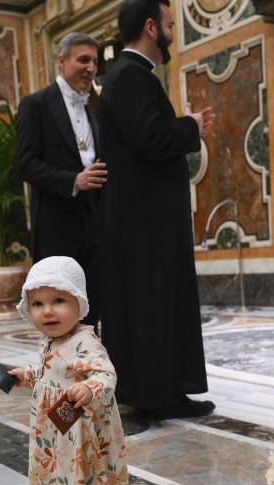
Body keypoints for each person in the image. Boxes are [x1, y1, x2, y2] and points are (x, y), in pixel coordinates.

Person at [97, 0, 216, 419]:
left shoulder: (132, 76)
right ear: (151, 27)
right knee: (153, 302)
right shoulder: (130, 75)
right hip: (146, 219)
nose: (171, 33)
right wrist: (191, 127)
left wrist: (182, 125)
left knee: (157, 302)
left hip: (146, 216)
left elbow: (143, 135)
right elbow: (148, 139)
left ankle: (163, 389)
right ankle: (158, 395)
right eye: (168, 25)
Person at [7, 257, 127, 485]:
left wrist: (89, 388)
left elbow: (107, 375)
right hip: (60, 432)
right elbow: (50, 371)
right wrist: (27, 374)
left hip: (80, 435)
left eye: (58, 300)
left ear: (79, 302)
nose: (47, 311)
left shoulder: (84, 342)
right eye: (38, 303)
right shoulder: (52, 340)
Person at [15, 32, 107, 330]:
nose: (91, 68)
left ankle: (88, 370)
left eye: (94, 61)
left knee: (90, 310)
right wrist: (74, 180)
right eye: (83, 60)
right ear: (62, 61)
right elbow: (26, 165)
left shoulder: (93, 111)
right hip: (56, 228)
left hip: (94, 225)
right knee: (57, 313)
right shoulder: (36, 104)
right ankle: (60, 375)